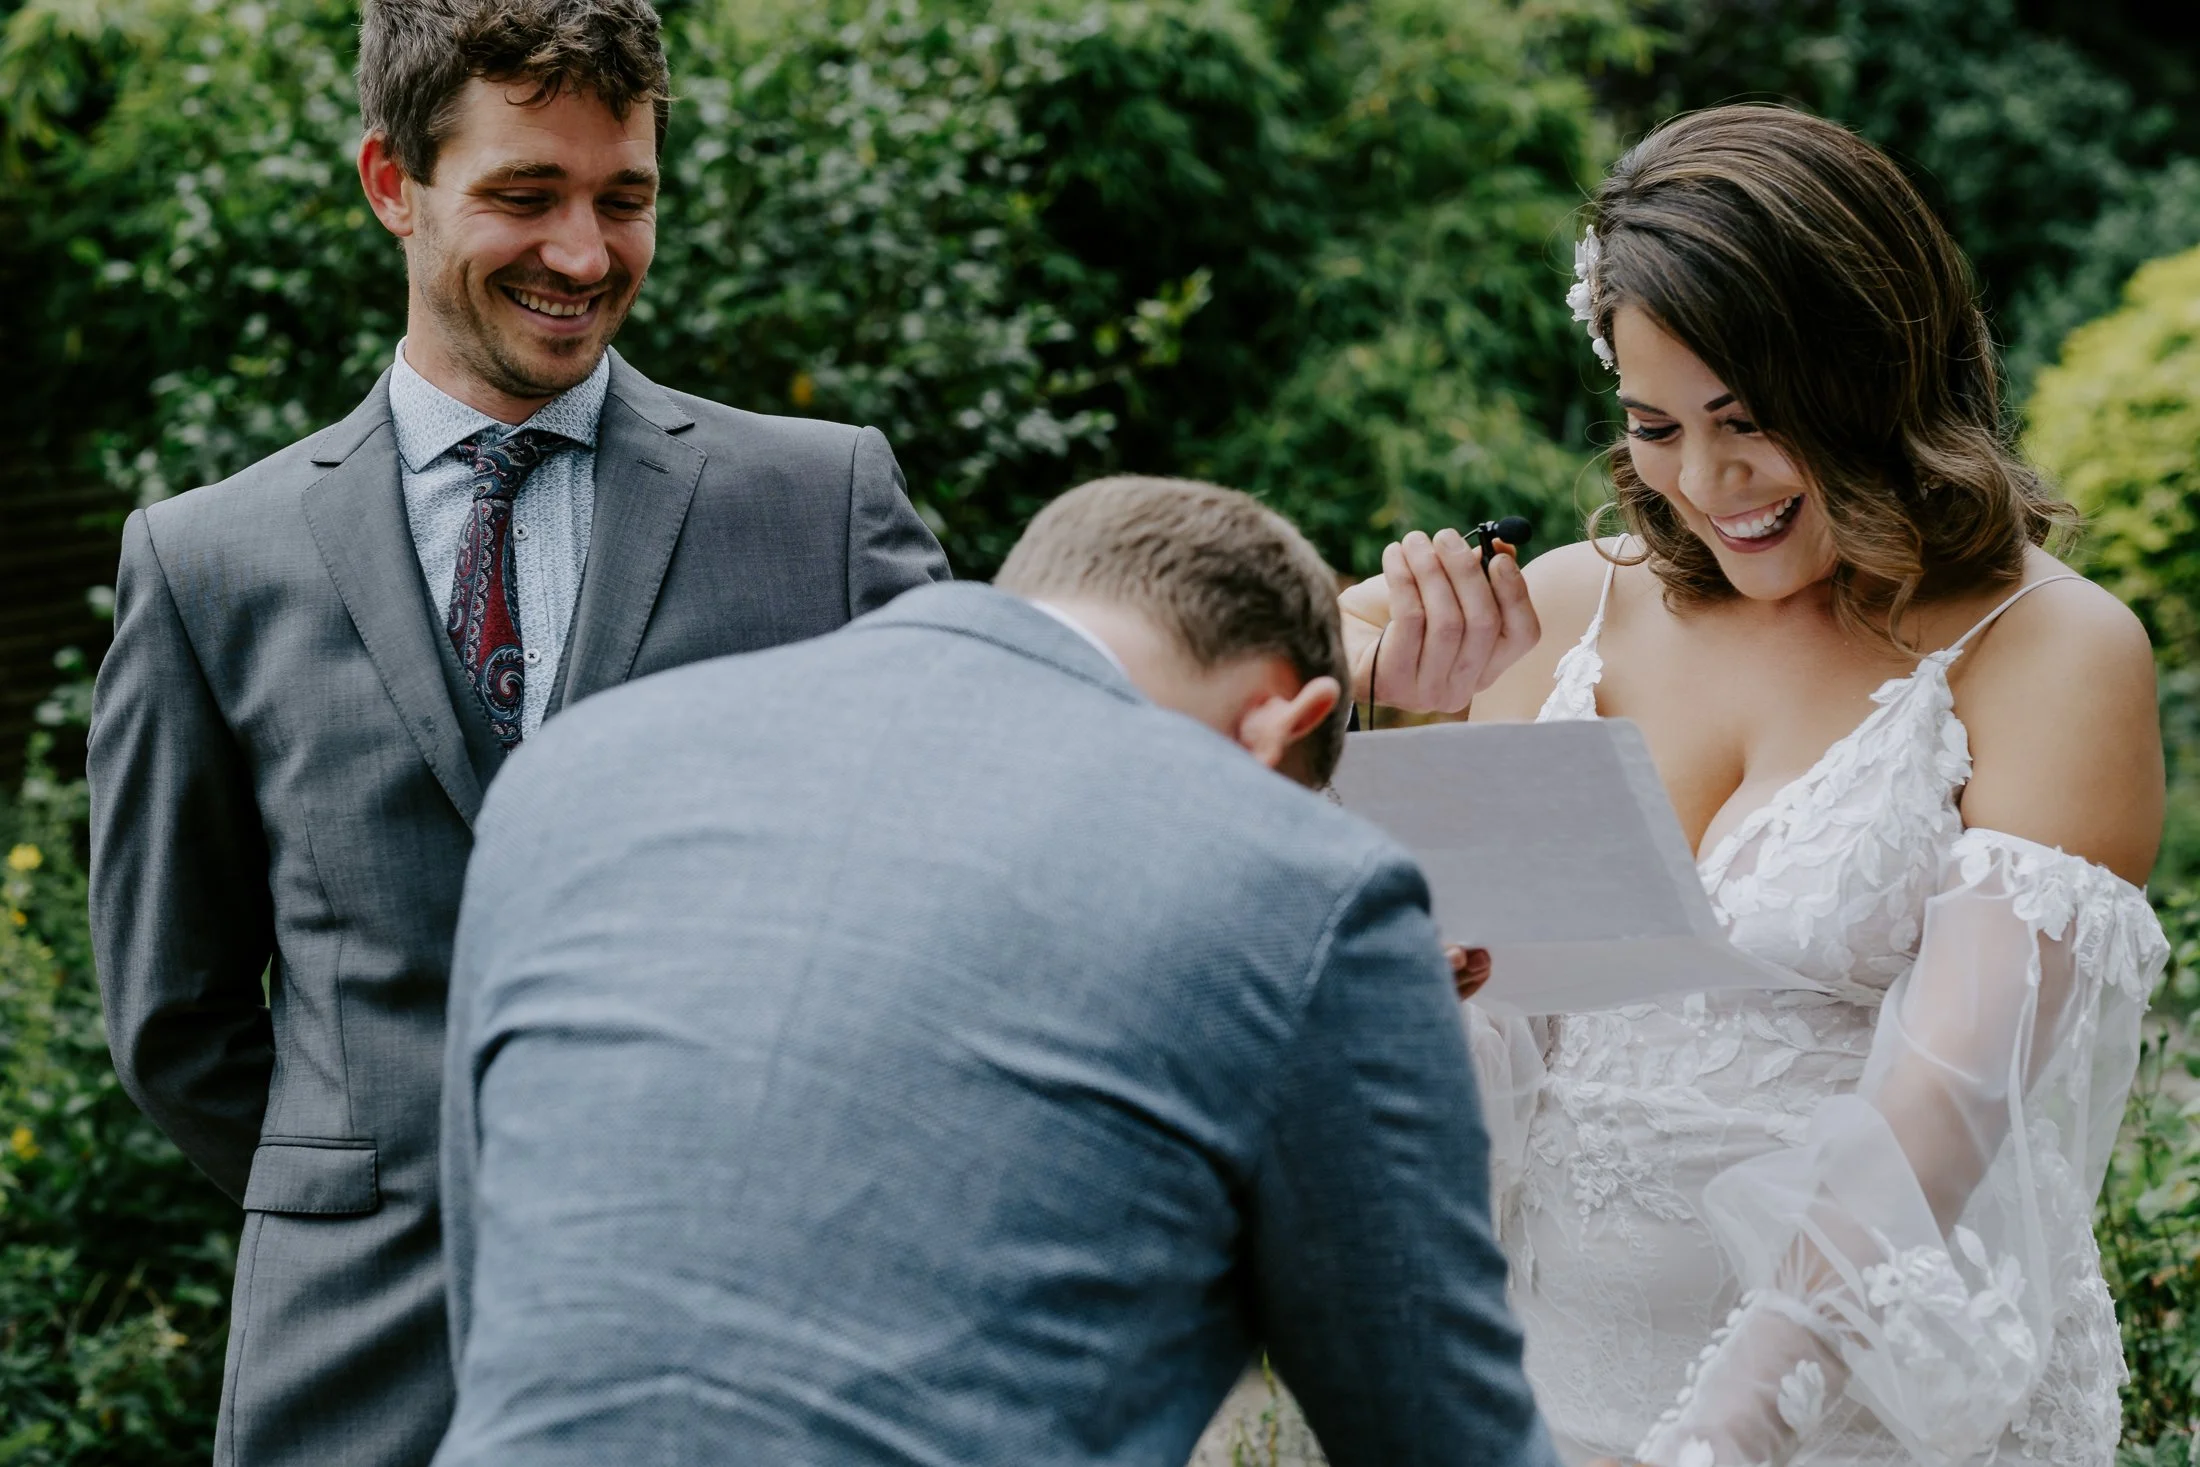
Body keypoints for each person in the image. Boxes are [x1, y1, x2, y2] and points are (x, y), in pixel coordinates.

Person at [84, 0, 946, 1460]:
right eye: (524, 195)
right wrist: (382, 1172)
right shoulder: (206, 562)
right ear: (389, 184)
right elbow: (176, 1021)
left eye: (625, 198)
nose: (586, 255)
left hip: (753, 1357)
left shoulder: (820, 506)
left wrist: (1351, 698)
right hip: (356, 1370)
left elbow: (1028, 834)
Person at [1338, 105, 2167, 1467]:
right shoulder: (1551, 612)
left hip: (1849, 1423)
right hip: (1529, 1395)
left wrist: (1719, 1439)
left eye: (1752, 420)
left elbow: (1941, 1120)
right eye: (1655, 426)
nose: (1708, 481)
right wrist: (1388, 754)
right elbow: (1450, 1047)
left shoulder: (2054, 651)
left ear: (1878, 369)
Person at [432, 476, 1558, 1467]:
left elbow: (490, 1288)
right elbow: (1427, 1431)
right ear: (1283, 723)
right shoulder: (1303, 879)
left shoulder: (574, 771)